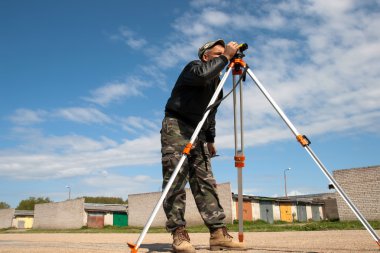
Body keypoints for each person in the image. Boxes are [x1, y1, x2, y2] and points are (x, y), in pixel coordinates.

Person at [161, 39, 245, 252]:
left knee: (205, 180)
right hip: (177, 126)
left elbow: (211, 113)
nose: (224, 55)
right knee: (176, 179)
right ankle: (178, 234)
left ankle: (218, 233)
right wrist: (226, 57)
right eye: (218, 53)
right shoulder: (193, 68)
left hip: (199, 130)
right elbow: (201, 76)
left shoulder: (217, 82)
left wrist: (210, 139)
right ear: (205, 56)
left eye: (224, 52)